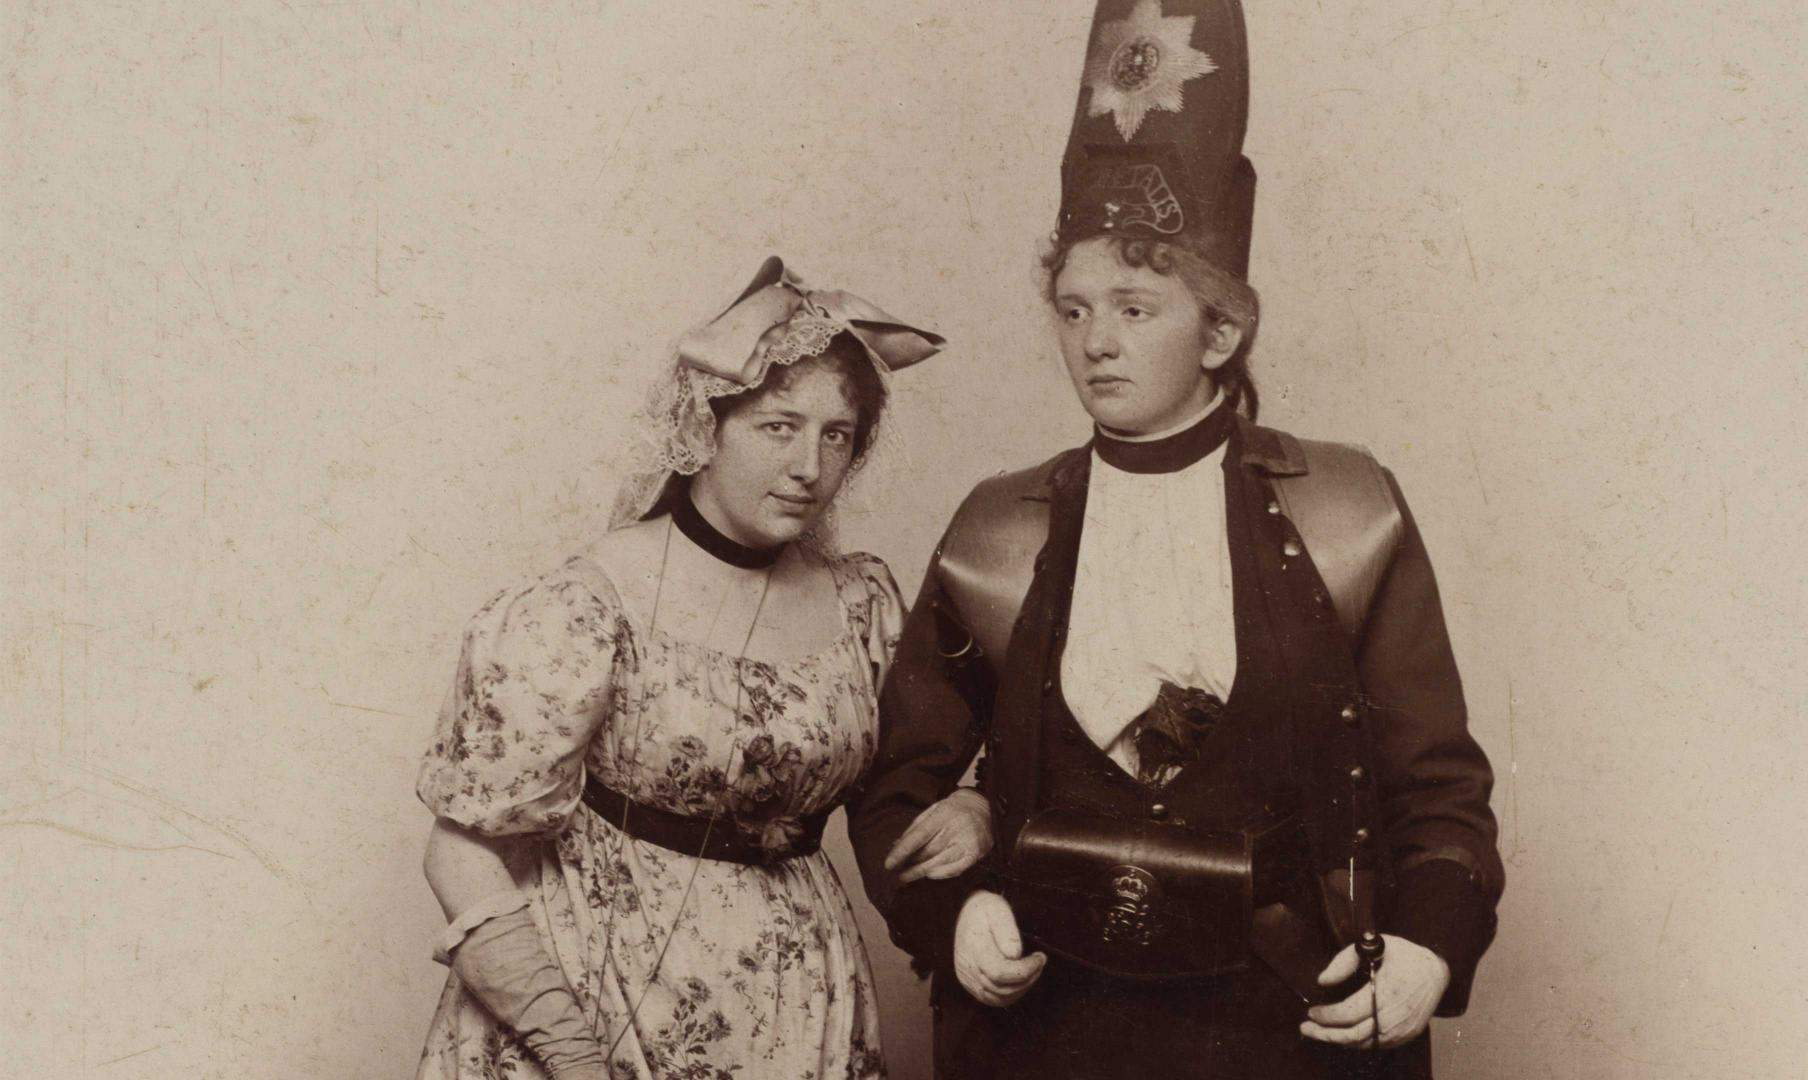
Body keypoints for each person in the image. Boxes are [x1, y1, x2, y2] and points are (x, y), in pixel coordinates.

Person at [847, 3, 1502, 1078]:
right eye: (1071, 309)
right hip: (1047, 1035)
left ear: (1223, 329)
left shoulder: (1347, 512)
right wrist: (952, 910)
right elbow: (897, 788)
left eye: (1137, 308)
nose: (1096, 341)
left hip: (1289, 1031)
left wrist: (1430, 944)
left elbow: (1437, 787)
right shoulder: (995, 531)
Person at [413, 257, 992, 1080]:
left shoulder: (859, 605)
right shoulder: (587, 605)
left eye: (837, 436)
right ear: (704, 429)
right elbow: (460, 850)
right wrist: (570, 1054)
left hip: (795, 1008)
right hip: (592, 1001)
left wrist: (976, 802)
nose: (808, 467)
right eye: (778, 427)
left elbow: (906, 792)